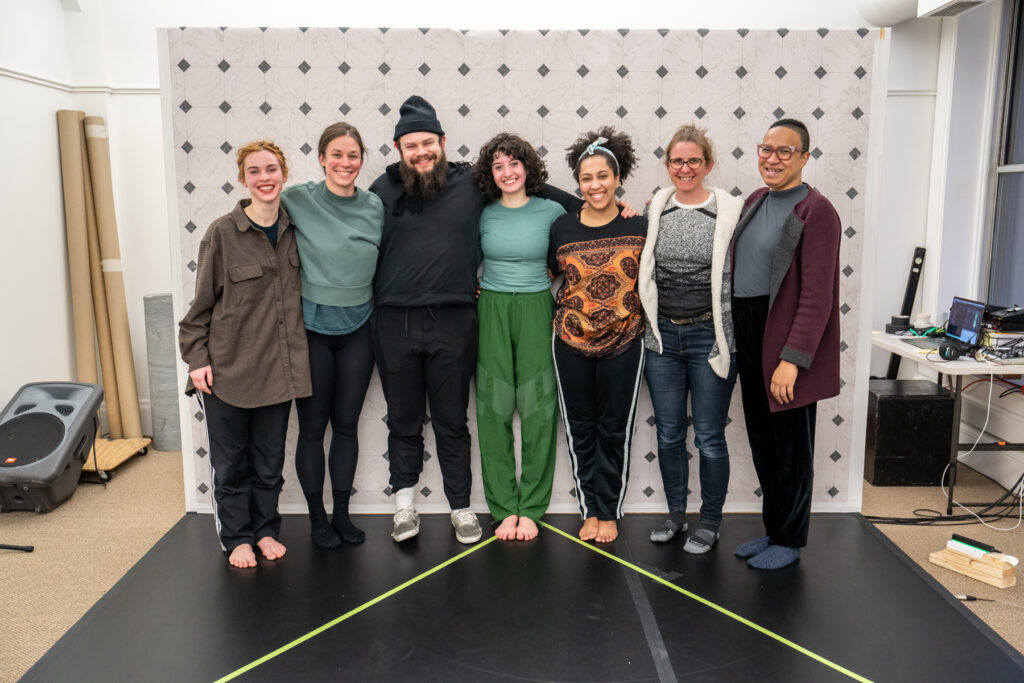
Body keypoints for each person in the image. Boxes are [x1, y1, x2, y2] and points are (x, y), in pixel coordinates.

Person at [370, 96, 578, 545]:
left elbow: (536, 193)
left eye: (428, 142)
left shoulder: (470, 184)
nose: (421, 151)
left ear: (443, 142)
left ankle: (463, 508)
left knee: (459, 418)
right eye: (411, 145)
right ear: (398, 148)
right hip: (398, 320)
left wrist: (606, 206)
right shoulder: (382, 190)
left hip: (459, 317)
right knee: (411, 418)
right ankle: (407, 507)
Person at [179, 140, 311, 569]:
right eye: (254, 171)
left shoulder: (298, 228)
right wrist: (197, 360)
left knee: (269, 463)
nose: (264, 177)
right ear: (243, 180)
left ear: (284, 174)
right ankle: (236, 537)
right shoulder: (222, 233)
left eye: (271, 169)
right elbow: (198, 311)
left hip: (278, 371)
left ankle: (266, 530)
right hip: (227, 374)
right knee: (231, 464)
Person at [730, 118, 841, 570]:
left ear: (804, 158)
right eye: (766, 149)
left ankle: (791, 538)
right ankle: (775, 528)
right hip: (749, 325)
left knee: (791, 442)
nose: (772, 158)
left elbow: (817, 296)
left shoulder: (818, 211)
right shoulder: (756, 201)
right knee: (762, 437)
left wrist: (792, 360)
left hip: (784, 333)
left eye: (784, 151)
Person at [638, 124, 743, 553]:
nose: (685, 168)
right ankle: (677, 515)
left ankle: (711, 521)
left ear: (708, 165)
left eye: (693, 161)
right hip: (662, 340)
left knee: (709, 437)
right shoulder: (655, 209)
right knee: (668, 434)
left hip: (710, 339)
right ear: (667, 166)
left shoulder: (729, 211)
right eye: (677, 161)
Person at [280, 123, 383, 549]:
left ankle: (341, 513)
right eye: (336, 155)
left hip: (361, 327)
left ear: (362, 160)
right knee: (311, 428)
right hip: (312, 330)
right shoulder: (296, 198)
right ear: (321, 158)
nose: (345, 163)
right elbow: (255, 216)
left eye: (353, 155)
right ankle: (317, 518)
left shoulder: (375, 205)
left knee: (346, 426)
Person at [549, 127, 646, 544]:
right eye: (587, 178)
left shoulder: (639, 224)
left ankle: (609, 510)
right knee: (579, 426)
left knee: (614, 427)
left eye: (602, 176)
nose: (595, 185)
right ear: (578, 182)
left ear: (617, 177)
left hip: (625, 339)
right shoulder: (561, 228)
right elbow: (544, 275)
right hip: (570, 340)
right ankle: (589, 508)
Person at [472, 133, 565, 541]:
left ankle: (531, 507)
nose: (507, 172)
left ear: (527, 167)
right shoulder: (481, 212)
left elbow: (580, 241)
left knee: (537, 407)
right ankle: (502, 507)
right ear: (490, 174)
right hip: (490, 307)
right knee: (492, 408)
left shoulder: (552, 211)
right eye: (498, 166)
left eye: (513, 163)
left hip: (536, 308)